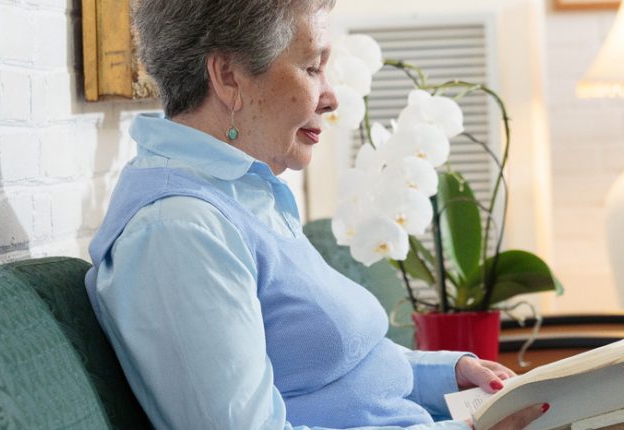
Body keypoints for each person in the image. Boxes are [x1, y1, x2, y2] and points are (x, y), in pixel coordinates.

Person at [84, 1, 549, 429]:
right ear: (228, 77)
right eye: (312, 68)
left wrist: (449, 374)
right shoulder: (179, 233)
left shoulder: (248, 190)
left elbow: (330, 369)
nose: (330, 97)